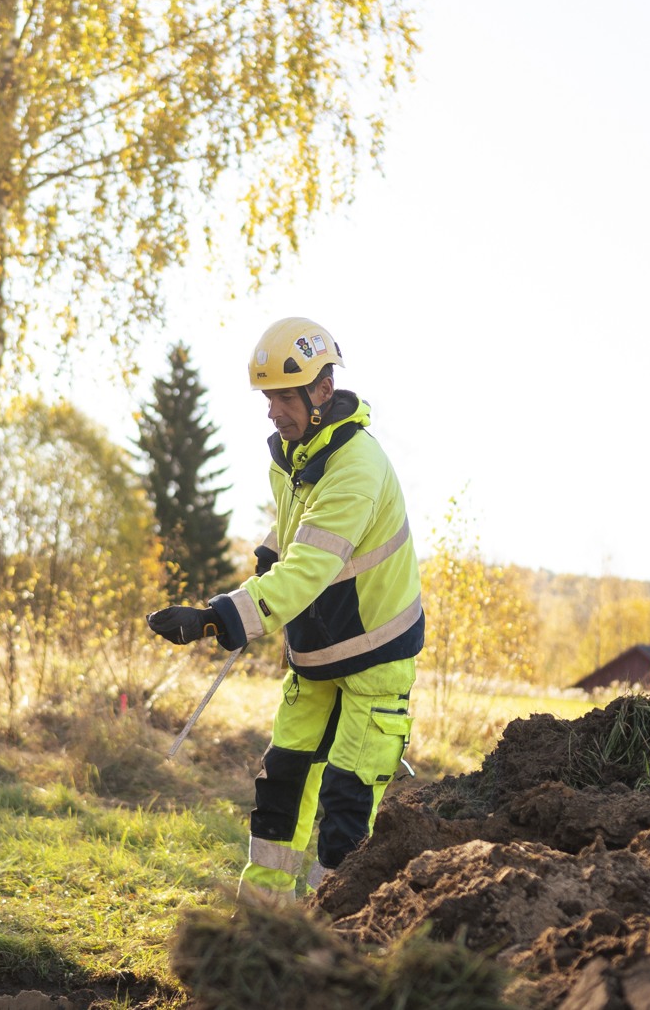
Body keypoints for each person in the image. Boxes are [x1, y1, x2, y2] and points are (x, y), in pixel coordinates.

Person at [146, 317, 424, 900]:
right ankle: (261, 919)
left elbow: (308, 570)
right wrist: (272, 547)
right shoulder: (296, 454)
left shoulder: (358, 468)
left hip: (374, 654)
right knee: (283, 783)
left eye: (284, 396)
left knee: (346, 802)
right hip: (319, 649)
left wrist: (216, 616)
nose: (272, 409)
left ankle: (334, 935)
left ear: (322, 391)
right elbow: (298, 534)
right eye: (268, 396)